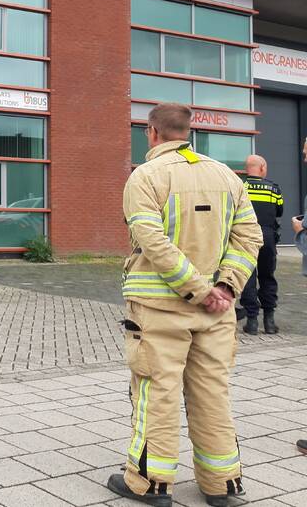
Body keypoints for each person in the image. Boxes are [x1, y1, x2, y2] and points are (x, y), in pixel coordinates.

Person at [107, 103, 262, 507]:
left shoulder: (145, 177)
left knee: (156, 393)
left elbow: (151, 240)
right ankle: (222, 485)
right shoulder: (227, 176)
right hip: (217, 315)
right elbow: (249, 239)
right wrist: (225, 288)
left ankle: (150, 483)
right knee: (212, 394)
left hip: (159, 311)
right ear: (187, 131)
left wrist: (195, 288)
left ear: (151, 132)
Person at [239, 155, 282, 334]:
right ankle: (270, 322)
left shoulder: (240, 187)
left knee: (248, 277)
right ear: (262, 167)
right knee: (267, 276)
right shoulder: (273, 188)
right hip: (268, 237)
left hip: (246, 237)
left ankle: (252, 322)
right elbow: (279, 211)